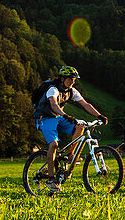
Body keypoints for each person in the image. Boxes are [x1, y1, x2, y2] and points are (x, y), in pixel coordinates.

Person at [34, 66, 106, 195]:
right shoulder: (53, 89)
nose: (73, 82)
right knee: (54, 145)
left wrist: (99, 116)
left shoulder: (71, 91)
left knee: (80, 126)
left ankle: (70, 155)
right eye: (70, 79)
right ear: (62, 79)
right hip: (45, 118)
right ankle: (51, 179)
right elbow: (53, 104)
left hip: (58, 117)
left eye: (74, 79)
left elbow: (85, 104)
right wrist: (66, 116)